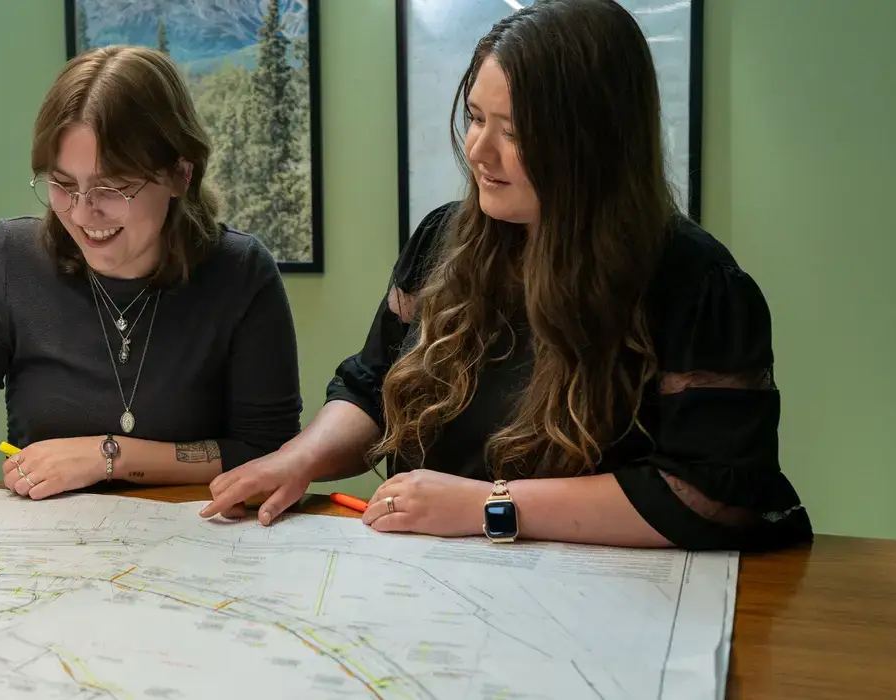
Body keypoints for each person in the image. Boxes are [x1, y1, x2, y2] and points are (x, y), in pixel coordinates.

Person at [200, 0, 812, 551]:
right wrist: (299, 458)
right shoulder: (442, 239)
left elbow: (707, 494)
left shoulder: (695, 283)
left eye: (514, 132)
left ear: (593, 143)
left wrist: (488, 506)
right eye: (474, 117)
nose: (479, 150)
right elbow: (370, 388)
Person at [0, 45, 303, 551]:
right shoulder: (9, 259)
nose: (85, 215)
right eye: (63, 186)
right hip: (47, 559)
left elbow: (268, 451)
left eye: (113, 188)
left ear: (181, 174)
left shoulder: (241, 273)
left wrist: (108, 455)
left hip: (203, 551)